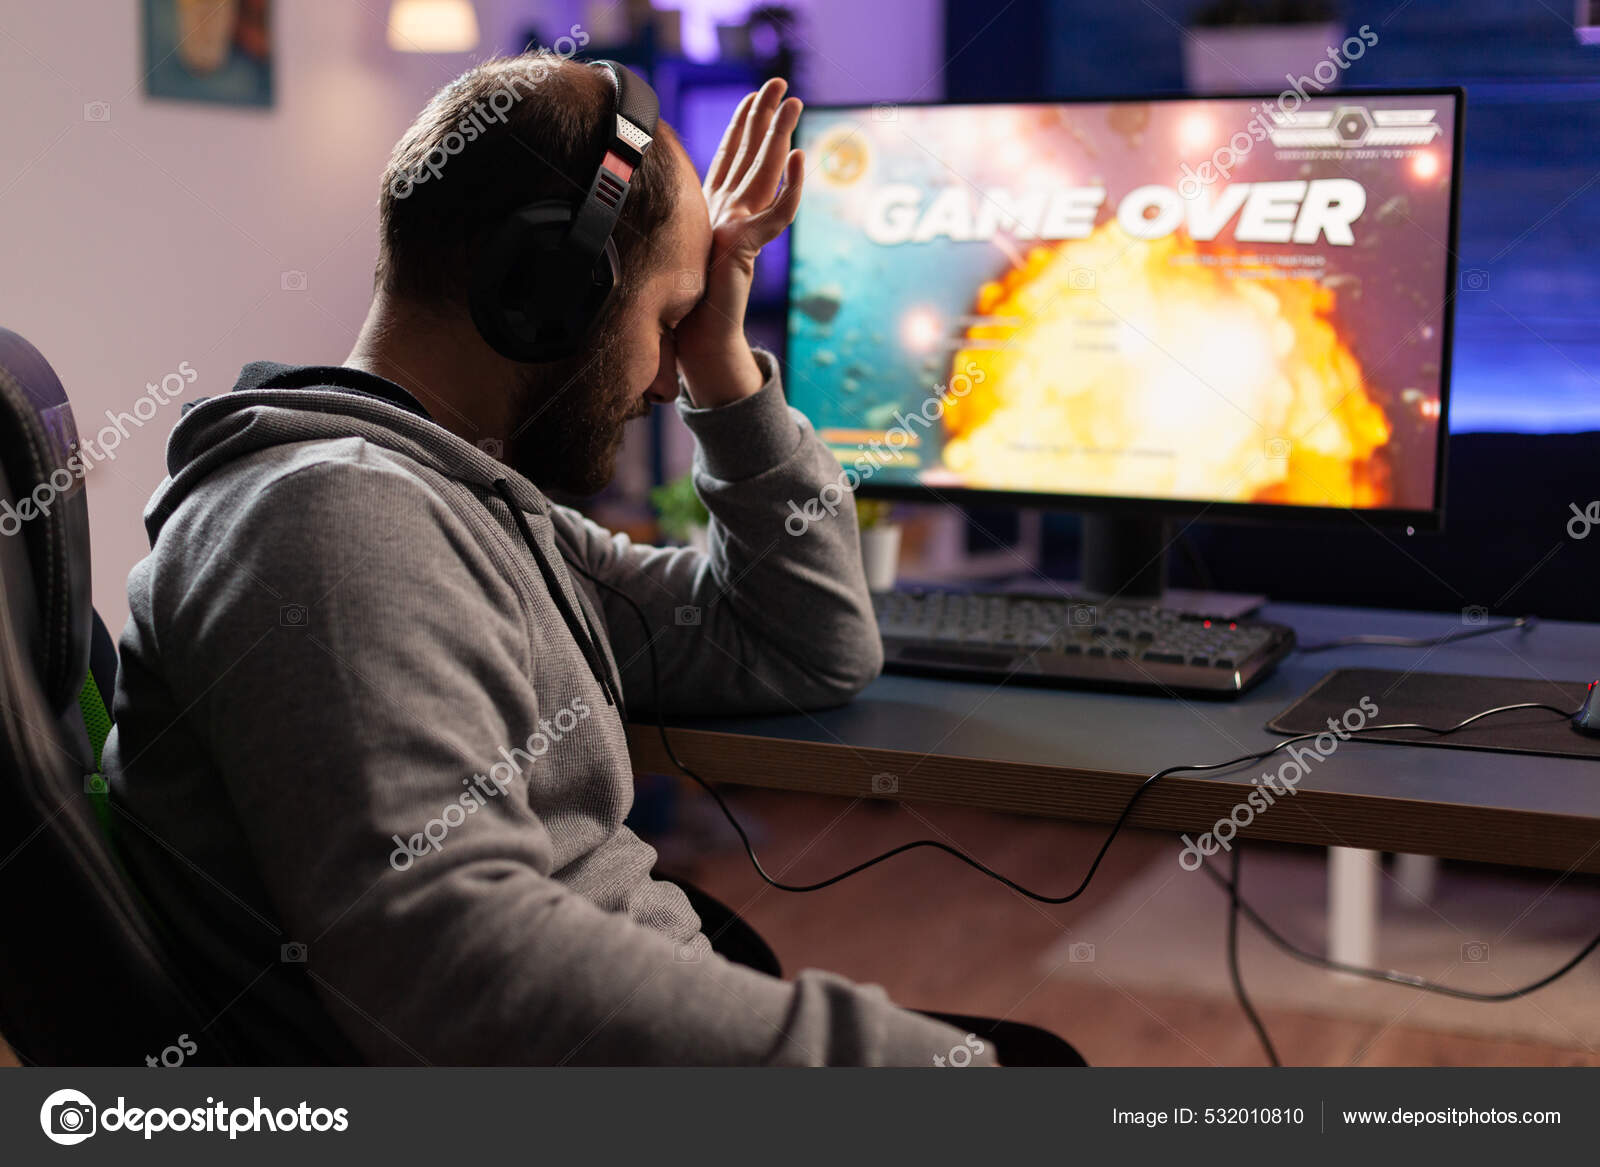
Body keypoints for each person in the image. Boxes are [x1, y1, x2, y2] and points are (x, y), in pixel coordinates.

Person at [105, 51, 1077, 1066]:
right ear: (549, 293)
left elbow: (800, 646)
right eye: (668, 322)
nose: (666, 380)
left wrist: (720, 344)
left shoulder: (449, 502)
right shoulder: (337, 523)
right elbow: (454, 973)